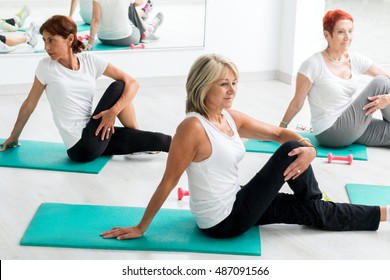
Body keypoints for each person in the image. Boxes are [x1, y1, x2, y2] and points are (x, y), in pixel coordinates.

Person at [100, 54, 389, 240]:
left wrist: (309, 148)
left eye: (234, 83)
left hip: (239, 202)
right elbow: (168, 181)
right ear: (203, 87)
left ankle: (382, 213)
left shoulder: (229, 118)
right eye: (223, 84)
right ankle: (316, 197)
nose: (232, 90)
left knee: (309, 210)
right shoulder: (192, 128)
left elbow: (277, 131)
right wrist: (141, 227)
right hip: (222, 221)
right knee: (291, 148)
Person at [0, 15, 171, 162]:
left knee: (160, 141)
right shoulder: (46, 67)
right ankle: (136, 135)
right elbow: (29, 104)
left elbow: (133, 83)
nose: (46, 47)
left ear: (70, 39)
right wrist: (14, 136)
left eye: (51, 40)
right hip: (80, 146)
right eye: (44, 41)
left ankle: (191, 147)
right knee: (118, 86)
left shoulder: (90, 61)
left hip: (94, 133)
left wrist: (113, 112)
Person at [280, 9, 390, 148]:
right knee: (382, 82)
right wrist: (279, 130)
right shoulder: (313, 64)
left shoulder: (355, 59)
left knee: (385, 81)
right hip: (330, 131)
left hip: (351, 125)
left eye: (350, 31)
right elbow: (297, 103)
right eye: (341, 32)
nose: (347, 37)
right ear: (327, 35)